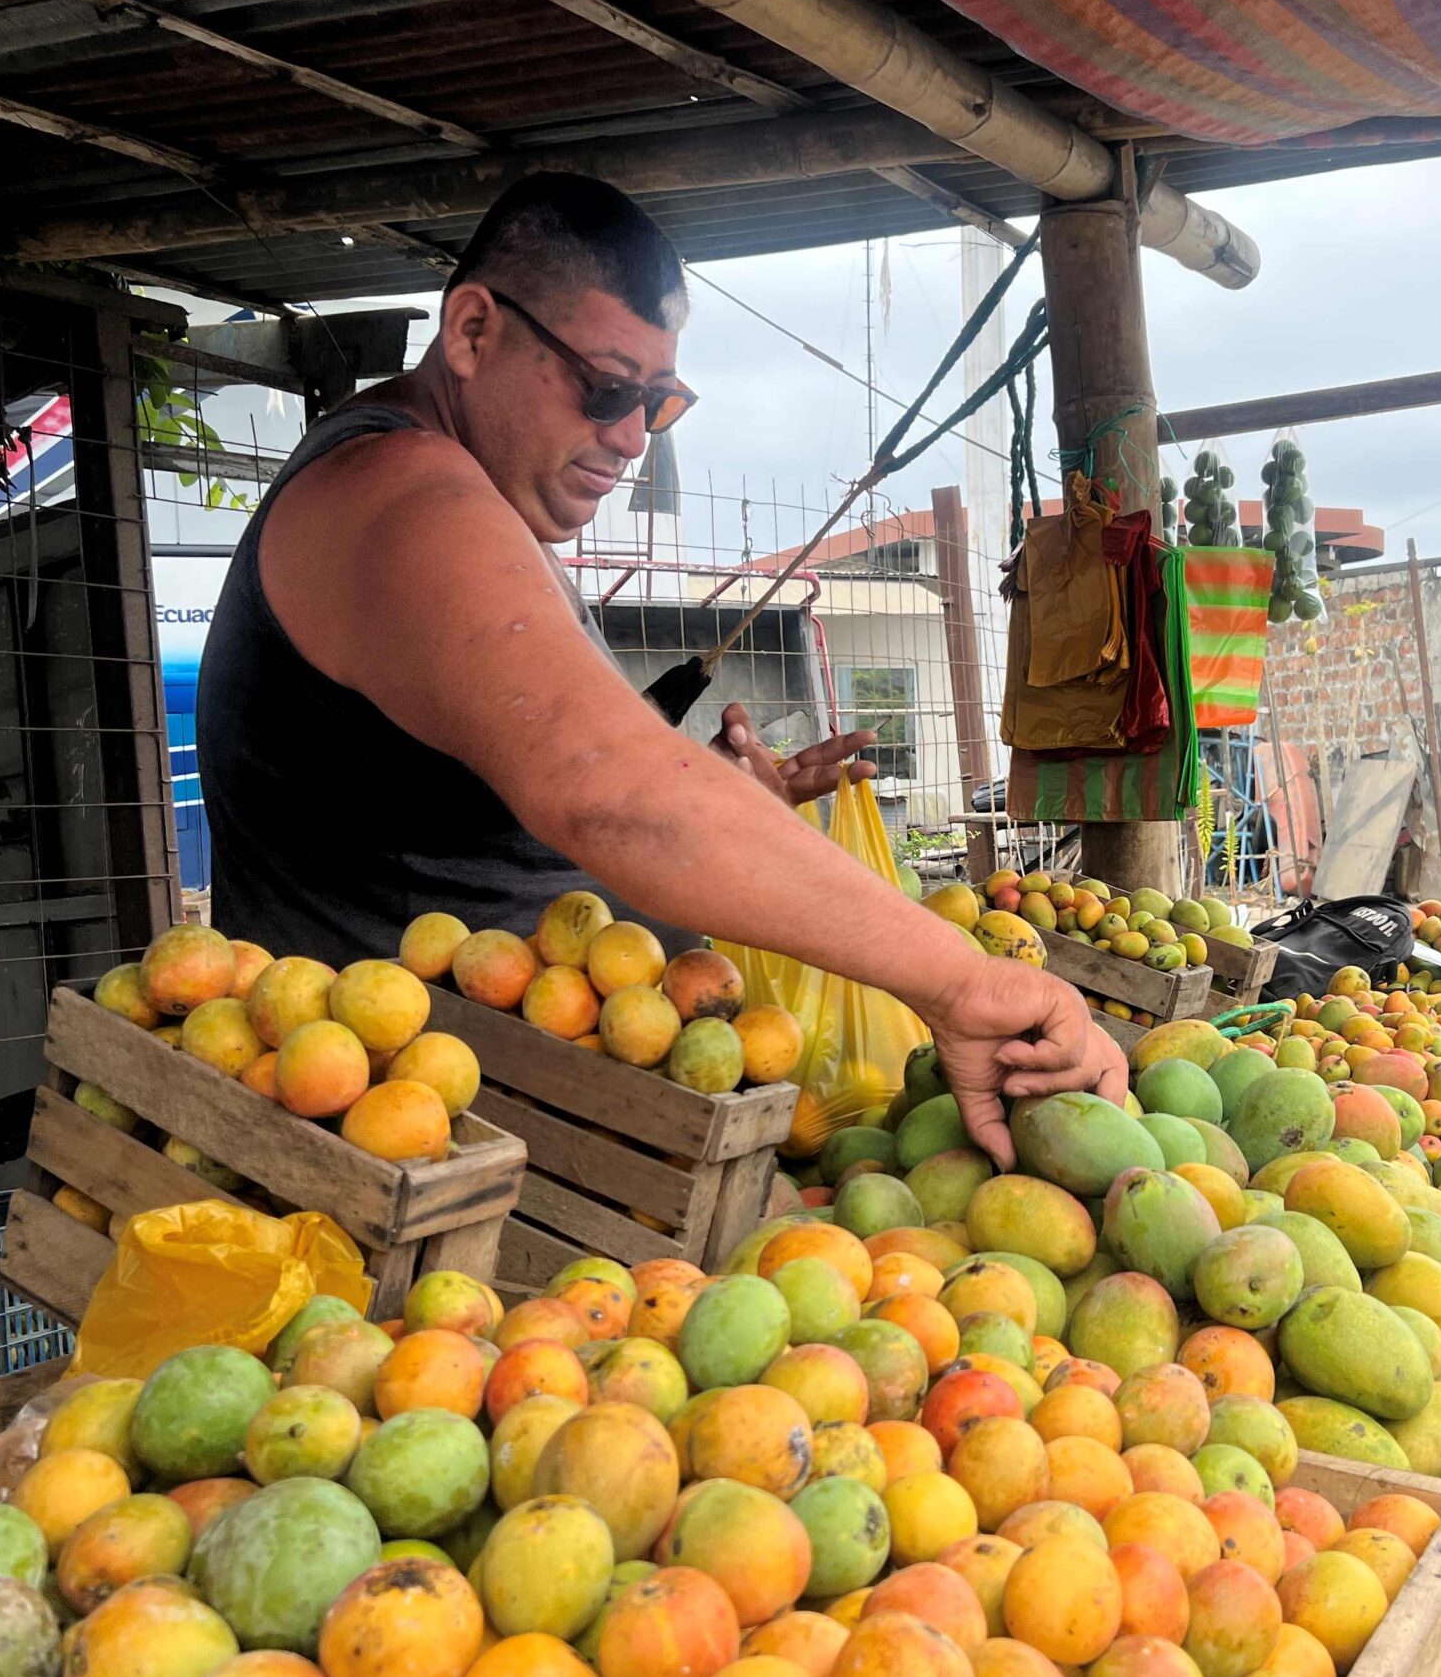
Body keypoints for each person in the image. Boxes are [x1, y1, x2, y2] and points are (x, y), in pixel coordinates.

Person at [195, 173, 1121, 1159]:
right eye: (605, 389)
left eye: (658, 401)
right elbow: (611, 791)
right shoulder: (400, 500)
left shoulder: (484, 505)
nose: (632, 437)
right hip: (399, 1156)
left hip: (510, 1133)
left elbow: (533, 792)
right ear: (471, 331)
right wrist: (963, 979)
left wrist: (720, 798)